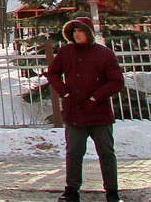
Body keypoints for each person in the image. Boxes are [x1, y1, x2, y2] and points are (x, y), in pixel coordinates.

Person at [45, 16, 125, 202]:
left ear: (88, 32)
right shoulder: (66, 52)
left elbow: (116, 82)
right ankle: (71, 191)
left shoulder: (104, 54)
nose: (76, 34)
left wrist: (96, 97)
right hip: (75, 112)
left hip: (99, 112)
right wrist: (64, 93)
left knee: (106, 153)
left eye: (80, 31)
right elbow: (53, 73)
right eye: (73, 31)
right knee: (73, 153)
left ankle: (112, 193)